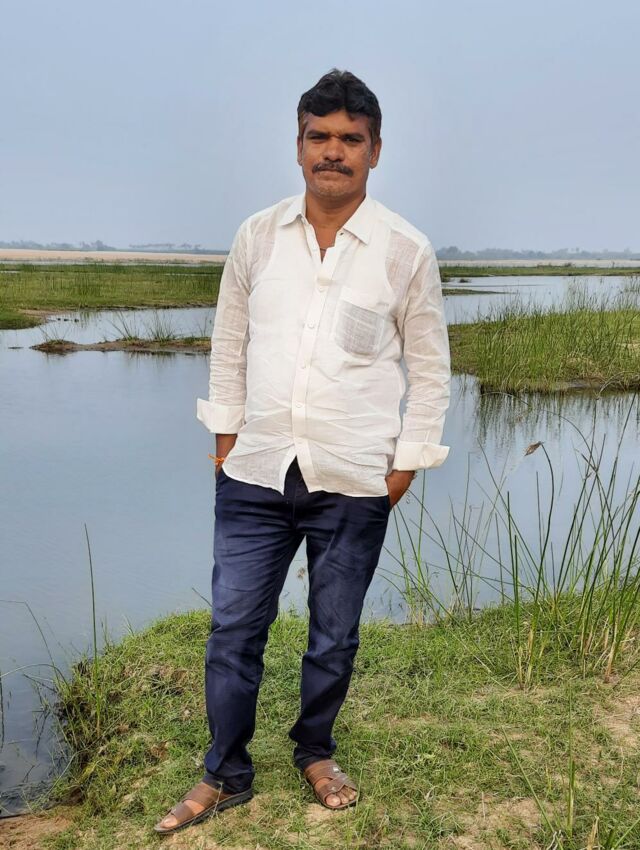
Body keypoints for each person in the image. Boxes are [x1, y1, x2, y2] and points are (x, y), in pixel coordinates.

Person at [154, 68, 451, 834]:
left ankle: (314, 751)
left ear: (375, 151)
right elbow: (229, 343)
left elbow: (430, 369)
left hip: (354, 478)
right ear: (298, 145)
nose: (333, 151)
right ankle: (225, 773)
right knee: (233, 630)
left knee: (334, 635)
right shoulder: (257, 236)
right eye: (319, 136)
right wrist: (227, 440)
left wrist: (404, 466)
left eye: (350, 138)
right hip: (254, 472)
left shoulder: (404, 250)